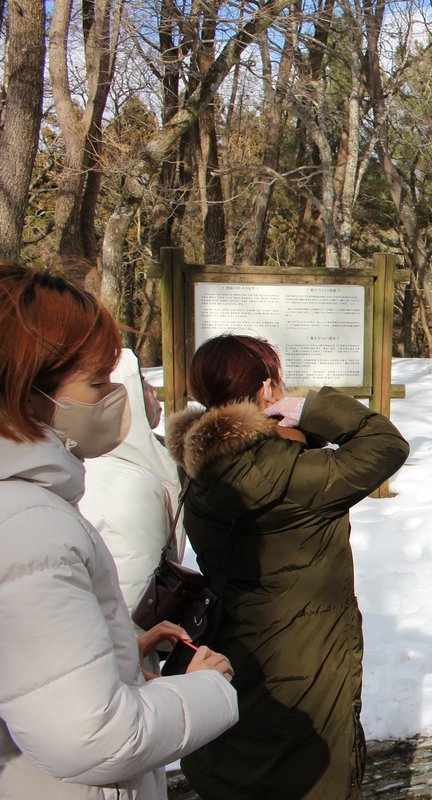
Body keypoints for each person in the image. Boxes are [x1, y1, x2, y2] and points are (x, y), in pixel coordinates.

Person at [0, 264, 237, 799]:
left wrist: (122, 651)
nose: (115, 396)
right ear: (27, 391)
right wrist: (206, 689)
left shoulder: (30, 503)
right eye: (96, 382)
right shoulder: (29, 526)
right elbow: (91, 735)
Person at [168, 334, 410, 799]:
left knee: (241, 762)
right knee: (310, 769)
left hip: (231, 645)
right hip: (305, 657)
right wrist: (314, 408)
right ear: (265, 389)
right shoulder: (293, 475)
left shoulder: (199, 466)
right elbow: (385, 444)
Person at [79, 348, 184, 617]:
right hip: (130, 646)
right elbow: (135, 594)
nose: (152, 391)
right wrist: (140, 652)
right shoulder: (129, 484)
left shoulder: (107, 464)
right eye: (142, 383)